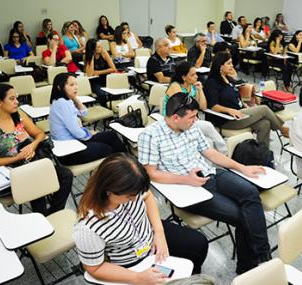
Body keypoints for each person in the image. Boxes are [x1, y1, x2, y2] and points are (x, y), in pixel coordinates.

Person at [138, 93, 271, 274]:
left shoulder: (191, 127)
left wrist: (242, 168)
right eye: (192, 117)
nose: (196, 120)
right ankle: (248, 268)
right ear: (176, 117)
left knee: (251, 193)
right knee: (242, 216)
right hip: (189, 190)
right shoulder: (150, 135)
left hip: (210, 174)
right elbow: (150, 174)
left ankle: (262, 256)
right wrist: (188, 180)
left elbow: (210, 153)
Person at [73, 153, 209, 282]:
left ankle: (190, 279)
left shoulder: (133, 187)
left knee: (199, 243)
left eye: (136, 194)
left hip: (150, 235)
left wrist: (159, 233)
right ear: (108, 191)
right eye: (129, 196)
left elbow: (147, 195)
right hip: (131, 261)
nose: (134, 199)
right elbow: (94, 268)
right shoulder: (87, 228)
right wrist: (137, 278)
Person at [0, 83, 73, 216]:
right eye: (12, 99)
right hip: (10, 171)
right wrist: (16, 158)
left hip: (32, 164)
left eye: (16, 98)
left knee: (66, 175)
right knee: (35, 181)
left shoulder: (18, 115)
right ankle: (43, 217)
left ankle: (52, 214)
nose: (17, 102)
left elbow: (40, 134)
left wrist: (32, 145)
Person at [204, 52, 288, 147]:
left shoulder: (228, 79)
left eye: (232, 63)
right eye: (229, 63)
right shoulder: (212, 83)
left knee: (265, 124)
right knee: (264, 109)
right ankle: (283, 129)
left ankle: (261, 154)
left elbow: (234, 95)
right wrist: (230, 110)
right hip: (226, 119)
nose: (232, 66)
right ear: (220, 66)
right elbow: (213, 106)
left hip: (239, 114)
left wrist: (243, 103)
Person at [49, 73, 126, 166]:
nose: (76, 87)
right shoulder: (62, 103)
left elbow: (83, 113)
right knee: (109, 148)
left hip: (75, 141)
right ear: (59, 87)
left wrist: (75, 99)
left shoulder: (65, 100)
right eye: (71, 85)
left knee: (111, 135)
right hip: (69, 151)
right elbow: (75, 131)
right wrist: (88, 135)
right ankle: (126, 167)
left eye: (76, 84)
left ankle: (127, 165)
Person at [83, 39, 116, 107]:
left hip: (106, 78)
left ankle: (111, 107)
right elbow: (90, 74)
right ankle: (105, 109)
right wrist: (91, 56)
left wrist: (99, 72)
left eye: (100, 46)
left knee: (114, 91)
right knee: (101, 94)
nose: (100, 48)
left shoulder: (104, 53)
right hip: (95, 81)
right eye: (98, 47)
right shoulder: (87, 56)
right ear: (92, 48)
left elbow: (113, 69)